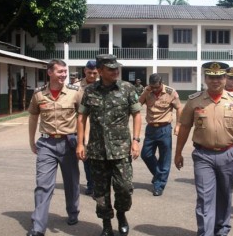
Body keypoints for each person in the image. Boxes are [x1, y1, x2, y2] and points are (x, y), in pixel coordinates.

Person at [174, 61, 233, 236]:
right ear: (205, 79)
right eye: (211, 77)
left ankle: (221, 229)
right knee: (205, 197)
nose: (216, 81)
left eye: (220, 77)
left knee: (224, 194)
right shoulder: (194, 101)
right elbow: (184, 127)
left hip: (228, 153)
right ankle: (205, 233)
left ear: (225, 78)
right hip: (202, 154)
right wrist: (178, 152)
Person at [76, 54, 142, 236]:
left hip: (121, 149)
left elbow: (137, 114)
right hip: (97, 150)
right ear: (100, 71)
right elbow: (81, 117)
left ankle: (121, 215)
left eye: (116, 68)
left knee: (125, 187)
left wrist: (136, 141)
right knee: (100, 191)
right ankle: (106, 224)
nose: (115, 71)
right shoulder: (90, 91)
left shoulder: (127, 88)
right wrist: (80, 143)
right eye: (111, 68)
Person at [27, 59, 81, 236]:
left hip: (70, 142)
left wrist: (82, 142)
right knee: (42, 185)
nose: (64, 74)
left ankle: (73, 212)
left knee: (71, 182)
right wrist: (31, 141)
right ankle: (38, 227)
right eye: (60, 71)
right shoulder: (39, 94)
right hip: (47, 144)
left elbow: (83, 117)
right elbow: (33, 117)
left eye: (65, 71)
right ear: (49, 72)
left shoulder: (75, 93)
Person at [138, 73, 182, 196]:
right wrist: (146, 92)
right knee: (146, 154)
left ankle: (159, 185)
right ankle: (158, 175)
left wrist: (178, 125)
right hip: (151, 128)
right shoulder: (147, 91)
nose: (155, 89)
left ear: (161, 83)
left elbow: (179, 108)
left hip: (164, 128)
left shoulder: (170, 92)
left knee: (164, 158)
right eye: (152, 87)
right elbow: (137, 104)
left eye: (156, 87)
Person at [75, 60, 99, 196]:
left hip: (99, 126)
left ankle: (99, 185)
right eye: (89, 72)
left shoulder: (102, 85)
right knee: (86, 158)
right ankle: (91, 184)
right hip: (83, 126)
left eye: (94, 73)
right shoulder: (76, 87)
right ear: (85, 71)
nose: (91, 75)